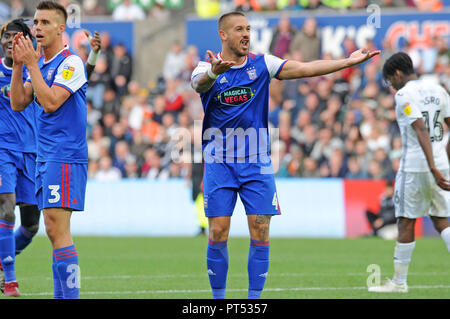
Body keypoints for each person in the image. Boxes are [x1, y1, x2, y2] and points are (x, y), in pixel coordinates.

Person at [190, 11, 379, 299]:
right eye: (239, 29)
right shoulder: (206, 66)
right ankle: (219, 301)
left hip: (256, 163)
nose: (246, 34)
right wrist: (215, 71)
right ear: (223, 35)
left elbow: (305, 68)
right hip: (219, 162)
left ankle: (254, 302)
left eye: (249, 29)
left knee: (260, 231)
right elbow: (199, 84)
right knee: (217, 232)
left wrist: (347, 62)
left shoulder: (262, 63)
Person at [0, 18, 100, 298]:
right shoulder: (29, 68)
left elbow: (74, 80)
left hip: (36, 154)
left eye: (19, 36)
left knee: (36, 226)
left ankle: (4, 255)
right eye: (8, 36)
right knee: (9, 210)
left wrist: (92, 55)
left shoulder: (46, 67)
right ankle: (10, 280)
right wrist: (24, 64)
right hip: (6, 151)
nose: (12, 41)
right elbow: (19, 102)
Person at [369, 52, 450, 293]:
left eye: (390, 81)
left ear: (397, 74)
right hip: (440, 163)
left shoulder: (404, 94)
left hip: (416, 166)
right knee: (442, 220)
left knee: (405, 220)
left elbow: (420, 128)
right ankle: (398, 282)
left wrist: (432, 166)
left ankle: (399, 283)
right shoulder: (438, 89)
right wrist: (443, 157)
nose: (391, 86)